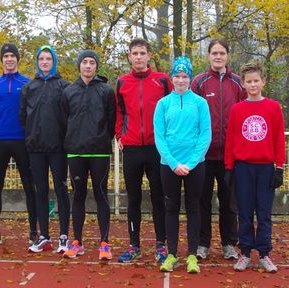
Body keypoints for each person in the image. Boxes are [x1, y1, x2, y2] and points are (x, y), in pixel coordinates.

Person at [224, 60, 285, 273]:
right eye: (248, 81)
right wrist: (229, 168)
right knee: (245, 213)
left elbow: (279, 138)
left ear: (263, 82)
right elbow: (231, 140)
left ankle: (265, 253)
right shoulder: (237, 110)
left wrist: (280, 168)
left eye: (256, 81)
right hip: (243, 168)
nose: (252, 85)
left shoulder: (273, 107)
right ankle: (245, 253)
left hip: (266, 168)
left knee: (264, 213)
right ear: (242, 83)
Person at [154, 56, 212, 273]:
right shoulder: (162, 104)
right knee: (171, 208)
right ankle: (171, 254)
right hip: (168, 165)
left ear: (190, 78)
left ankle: (192, 255)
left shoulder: (200, 103)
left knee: (194, 207)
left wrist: (191, 162)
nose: (180, 80)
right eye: (177, 76)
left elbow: (205, 135)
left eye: (184, 76)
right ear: (171, 78)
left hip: (195, 166)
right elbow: (160, 137)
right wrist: (173, 163)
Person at [116, 38, 171, 264]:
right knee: (133, 199)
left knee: (159, 198)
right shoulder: (121, 82)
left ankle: (161, 245)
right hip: (131, 150)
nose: (138, 57)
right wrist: (120, 135)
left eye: (142, 53)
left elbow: (170, 111)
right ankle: (134, 245)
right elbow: (118, 112)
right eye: (134, 53)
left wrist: (167, 139)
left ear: (149, 56)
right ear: (129, 56)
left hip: (156, 149)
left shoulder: (163, 80)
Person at [191, 38, 245, 260]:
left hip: (230, 156)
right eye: (214, 53)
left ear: (227, 56)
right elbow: (191, 116)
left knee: (229, 203)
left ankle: (229, 244)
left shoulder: (238, 83)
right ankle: (203, 244)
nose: (218, 56)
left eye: (222, 53)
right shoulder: (199, 82)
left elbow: (245, 114)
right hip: (203, 155)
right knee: (202, 201)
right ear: (209, 56)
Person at [0, 43, 38, 248]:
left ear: (17, 59)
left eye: (13, 56)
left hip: (22, 141)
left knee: (29, 187)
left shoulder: (28, 84)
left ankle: (34, 233)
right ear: (2, 60)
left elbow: (34, 113)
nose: (9, 59)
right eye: (6, 56)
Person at [61, 50, 116, 260]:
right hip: (75, 152)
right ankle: (77, 243)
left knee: (101, 195)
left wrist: (102, 139)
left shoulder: (106, 91)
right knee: (78, 196)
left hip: (99, 152)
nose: (87, 66)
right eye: (84, 62)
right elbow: (64, 120)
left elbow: (111, 120)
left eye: (91, 62)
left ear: (96, 66)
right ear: (79, 65)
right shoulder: (68, 91)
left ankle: (104, 243)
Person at [20, 45, 70, 254]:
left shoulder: (64, 86)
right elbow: (23, 117)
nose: (45, 62)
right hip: (36, 149)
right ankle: (44, 236)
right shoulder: (29, 87)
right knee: (41, 191)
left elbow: (69, 116)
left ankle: (64, 237)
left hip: (58, 148)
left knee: (61, 190)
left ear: (54, 61)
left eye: (48, 58)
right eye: (41, 59)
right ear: (37, 62)